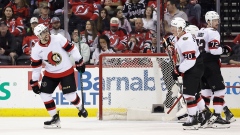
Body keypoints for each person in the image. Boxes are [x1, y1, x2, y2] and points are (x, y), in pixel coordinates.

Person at [29, 24, 88, 128]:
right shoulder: (36, 49)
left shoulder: (58, 38)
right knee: (44, 94)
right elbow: (36, 68)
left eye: (46, 31)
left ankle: (80, 107)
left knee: (69, 96)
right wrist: (34, 82)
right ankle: (55, 118)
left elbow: (72, 49)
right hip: (50, 74)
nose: (46, 34)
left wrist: (79, 62)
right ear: (38, 36)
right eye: (42, 33)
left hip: (66, 71)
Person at [196, 11, 232, 128]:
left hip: (201, 63)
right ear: (208, 21)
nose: (217, 22)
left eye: (217, 20)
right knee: (220, 90)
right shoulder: (213, 32)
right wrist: (224, 50)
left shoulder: (200, 31)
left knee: (206, 91)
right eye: (215, 20)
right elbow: (214, 50)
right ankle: (216, 116)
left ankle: (203, 116)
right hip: (210, 63)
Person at [170, 17, 205, 130]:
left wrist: (178, 70)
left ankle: (192, 118)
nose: (172, 29)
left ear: (181, 28)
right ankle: (204, 114)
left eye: (174, 27)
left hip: (193, 67)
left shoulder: (186, 40)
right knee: (195, 94)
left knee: (188, 95)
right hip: (195, 67)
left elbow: (190, 60)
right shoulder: (181, 37)